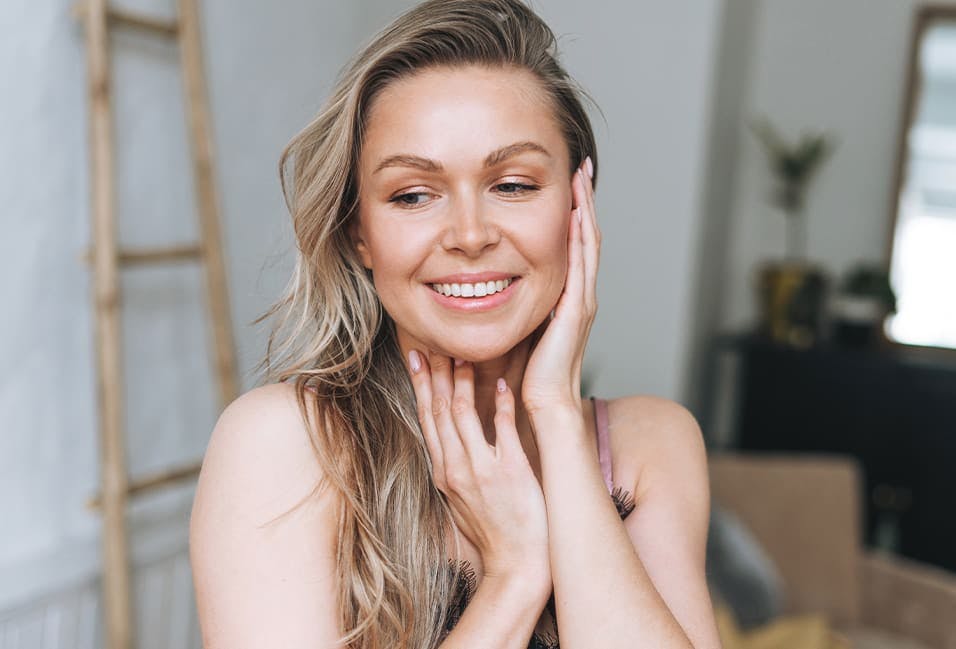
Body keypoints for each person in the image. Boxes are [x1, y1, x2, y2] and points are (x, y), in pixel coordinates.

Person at [189, 1, 721, 647]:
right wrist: (515, 575)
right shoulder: (288, 443)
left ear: (578, 206)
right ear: (360, 233)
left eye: (515, 184)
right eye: (413, 195)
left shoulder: (648, 446)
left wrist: (554, 412)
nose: (470, 235)